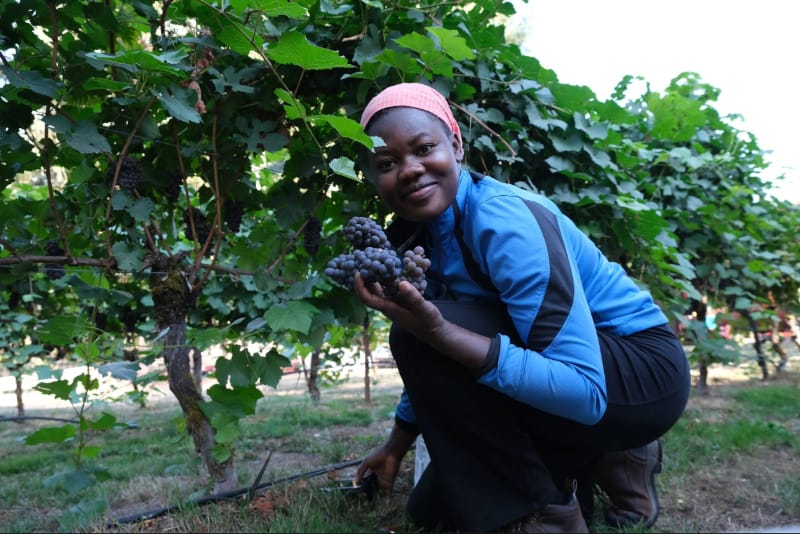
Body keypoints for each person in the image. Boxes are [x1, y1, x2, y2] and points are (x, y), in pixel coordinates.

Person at [351, 82, 691, 533]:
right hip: (568, 375)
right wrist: (397, 443)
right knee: (432, 510)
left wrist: (438, 332)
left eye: (424, 148)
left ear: (457, 145)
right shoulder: (419, 238)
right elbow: (438, 358)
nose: (409, 169)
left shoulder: (504, 221)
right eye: (387, 163)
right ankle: (597, 457)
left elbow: (585, 392)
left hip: (638, 374)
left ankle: (551, 511)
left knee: (421, 338)